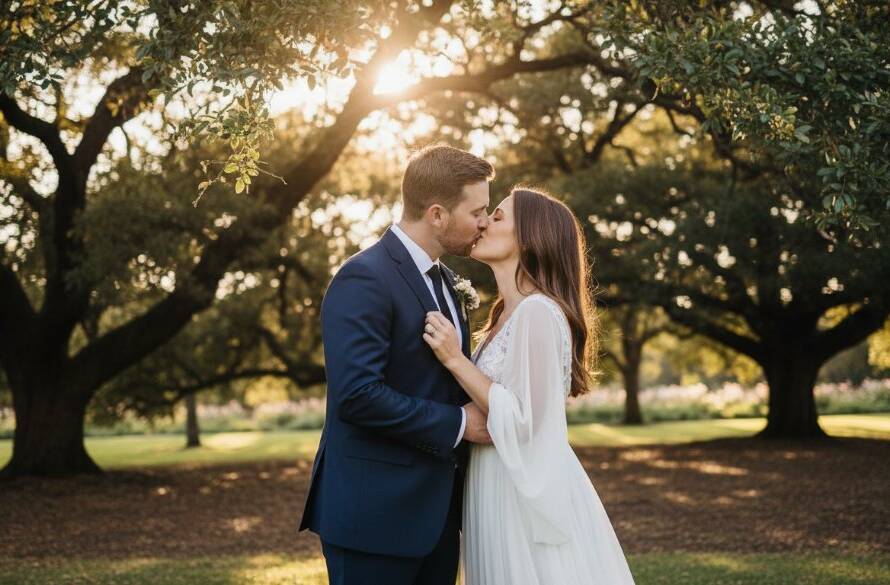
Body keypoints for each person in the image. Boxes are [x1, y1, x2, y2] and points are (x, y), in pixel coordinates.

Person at [298, 143, 496, 585]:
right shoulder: (364, 277)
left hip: (438, 515)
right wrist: (459, 424)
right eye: (478, 211)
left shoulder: (447, 281)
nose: (485, 222)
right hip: (373, 517)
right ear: (438, 214)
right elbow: (357, 395)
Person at [423, 186, 638, 584]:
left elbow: (525, 422)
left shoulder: (539, 312)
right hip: (491, 481)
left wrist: (454, 359)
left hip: (521, 492)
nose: (484, 221)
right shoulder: (504, 315)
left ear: (531, 237)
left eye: (499, 216)